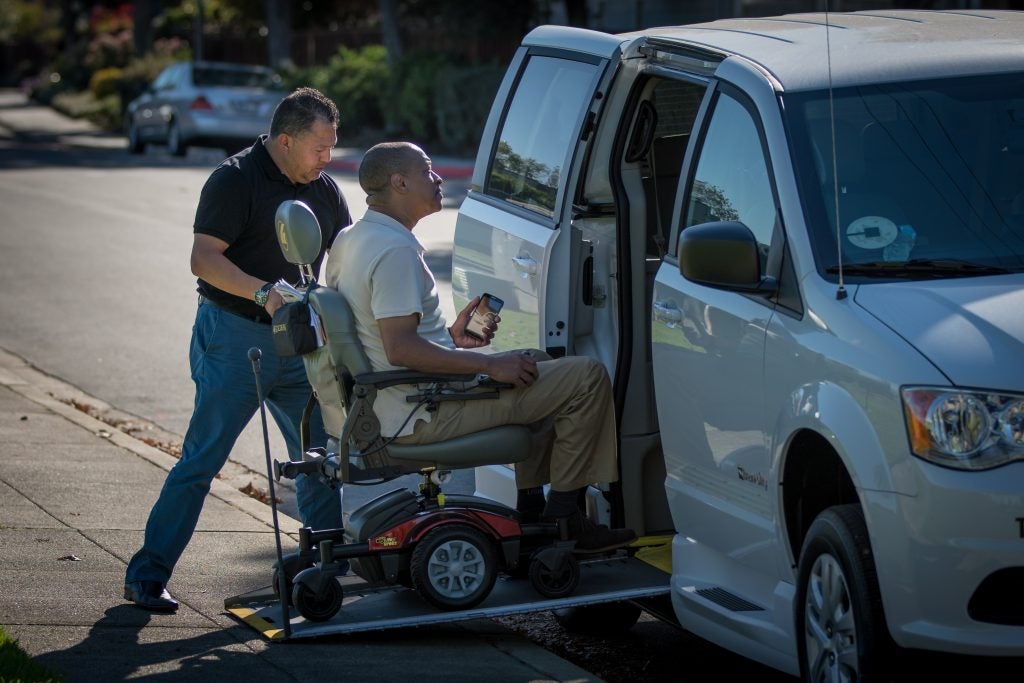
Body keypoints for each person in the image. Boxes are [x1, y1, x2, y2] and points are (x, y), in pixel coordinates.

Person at [324, 141, 635, 552]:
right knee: (587, 377)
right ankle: (565, 517)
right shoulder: (394, 250)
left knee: (534, 363)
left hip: (397, 398)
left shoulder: (353, 237)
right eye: (427, 171)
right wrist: (485, 366)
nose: (437, 180)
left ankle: (531, 510)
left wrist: (451, 341)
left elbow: (380, 340)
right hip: (420, 411)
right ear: (399, 183)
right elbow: (399, 349)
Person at [124, 87, 351, 612]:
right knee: (202, 459)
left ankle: (325, 573)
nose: (327, 158)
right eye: (320, 147)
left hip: (302, 345)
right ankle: (148, 575)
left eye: (331, 148)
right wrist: (260, 291)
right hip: (236, 338)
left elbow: (343, 261)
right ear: (286, 140)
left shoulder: (324, 190)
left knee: (319, 459)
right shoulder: (235, 178)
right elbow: (203, 258)